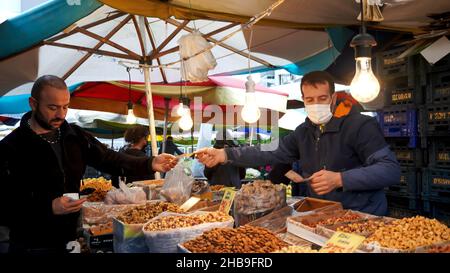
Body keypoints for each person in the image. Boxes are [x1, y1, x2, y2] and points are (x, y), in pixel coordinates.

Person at [0, 75, 178, 253]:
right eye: (52, 107)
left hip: (70, 238)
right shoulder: (11, 147)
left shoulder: (74, 135)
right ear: (33, 103)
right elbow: (5, 205)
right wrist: (49, 207)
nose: (61, 114)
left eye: (65, 107)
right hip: (31, 245)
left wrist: (150, 163)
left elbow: (110, 159)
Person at [197, 71, 400, 216]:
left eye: (322, 98)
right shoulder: (304, 132)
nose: (316, 104)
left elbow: (390, 170)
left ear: (333, 97)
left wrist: (340, 179)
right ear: (303, 100)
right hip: (323, 216)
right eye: (310, 100)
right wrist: (225, 155)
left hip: (364, 216)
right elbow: (270, 152)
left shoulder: (360, 125)